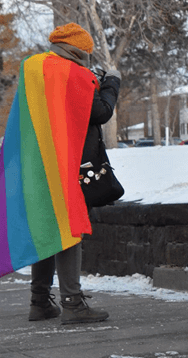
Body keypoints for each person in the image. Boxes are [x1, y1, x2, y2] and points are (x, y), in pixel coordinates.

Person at [24, 23, 118, 324]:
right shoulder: (73, 73)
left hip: (37, 160)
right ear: (77, 51)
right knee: (69, 227)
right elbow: (100, 112)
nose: (87, 60)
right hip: (68, 162)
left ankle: (39, 302)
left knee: (46, 227)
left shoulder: (35, 69)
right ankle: (73, 304)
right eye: (86, 55)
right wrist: (111, 83)